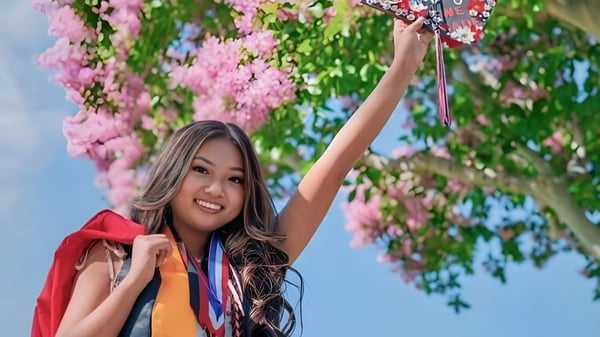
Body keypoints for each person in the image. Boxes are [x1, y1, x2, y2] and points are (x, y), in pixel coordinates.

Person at [32, 17, 433, 337]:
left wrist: (402, 68)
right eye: (201, 170)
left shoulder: (249, 270)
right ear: (173, 173)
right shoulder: (118, 251)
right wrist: (136, 280)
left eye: (235, 180)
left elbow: (337, 163)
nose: (215, 189)